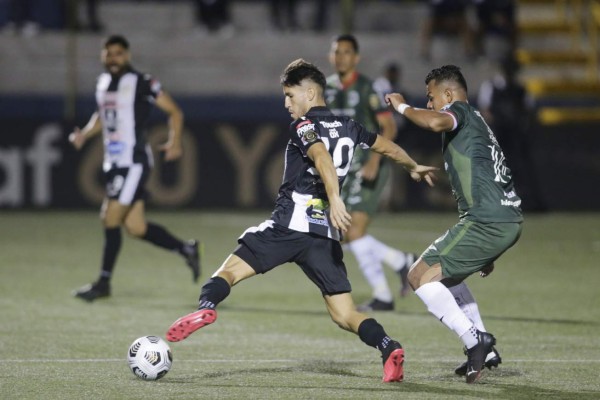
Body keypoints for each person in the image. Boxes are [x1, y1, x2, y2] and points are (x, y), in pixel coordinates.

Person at [165, 59, 437, 383]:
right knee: (345, 314)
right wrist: (413, 165)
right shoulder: (350, 126)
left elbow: (320, 156)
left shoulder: (304, 126)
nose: (286, 103)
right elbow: (385, 146)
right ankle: (387, 346)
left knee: (228, 271)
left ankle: (208, 305)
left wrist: (335, 197)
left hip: (288, 226)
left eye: (290, 96)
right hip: (324, 236)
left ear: (310, 93)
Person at [385, 65, 523, 383]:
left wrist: (403, 105)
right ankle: (484, 349)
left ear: (448, 94)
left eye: (432, 97)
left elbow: (433, 121)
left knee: (418, 276)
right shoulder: (477, 122)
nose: (430, 103)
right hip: (504, 219)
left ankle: (475, 341)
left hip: (485, 221)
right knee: (447, 278)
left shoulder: (458, 110)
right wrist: (490, 249)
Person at [69, 35, 200, 302]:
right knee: (136, 227)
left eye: (118, 53)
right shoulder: (103, 82)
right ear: (102, 56)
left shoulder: (141, 82)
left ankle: (103, 283)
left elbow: (175, 111)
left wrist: (175, 142)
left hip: (133, 162)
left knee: (110, 216)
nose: (113, 58)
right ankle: (185, 249)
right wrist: (84, 134)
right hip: (113, 163)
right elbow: (103, 115)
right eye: (108, 53)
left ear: (127, 55)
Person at [326, 34, 417, 312]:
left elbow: (390, 128)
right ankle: (400, 265)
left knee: (353, 232)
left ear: (356, 58)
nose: (341, 57)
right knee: (344, 234)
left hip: (367, 168)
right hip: (342, 171)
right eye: (336, 52)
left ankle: (386, 291)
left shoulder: (367, 88)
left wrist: (375, 162)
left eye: (346, 52)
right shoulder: (325, 88)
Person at [477, 56, 546, 211]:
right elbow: (485, 110)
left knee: (518, 169)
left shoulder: (520, 89)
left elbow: (528, 110)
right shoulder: (491, 86)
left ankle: (524, 202)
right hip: (497, 134)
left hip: (516, 136)